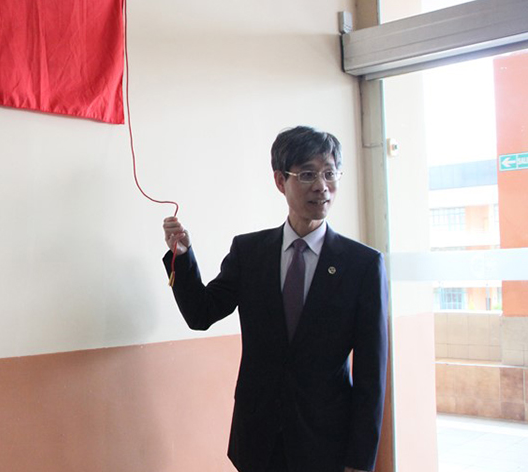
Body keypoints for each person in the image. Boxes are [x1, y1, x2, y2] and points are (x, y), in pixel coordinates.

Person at [162, 126, 388, 472]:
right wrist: (181, 256)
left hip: (326, 442)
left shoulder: (362, 265)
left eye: (330, 173)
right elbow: (201, 313)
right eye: (308, 174)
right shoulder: (250, 252)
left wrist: (361, 461)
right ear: (281, 181)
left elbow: (372, 375)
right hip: (258, 438)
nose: (321, 186)